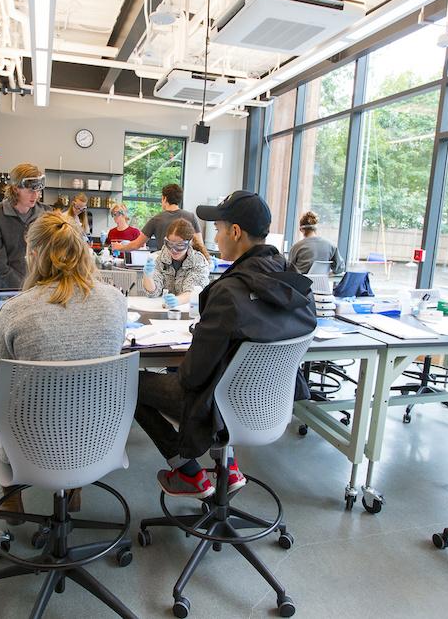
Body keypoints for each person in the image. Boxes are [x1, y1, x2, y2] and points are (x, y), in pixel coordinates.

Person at [134, 191, 316, 498]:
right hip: (266, 405)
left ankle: (187, 470)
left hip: (217, 406)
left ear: (236, 232)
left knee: (130, 383)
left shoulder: (229, 292)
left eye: (218, 229)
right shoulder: (297, 284)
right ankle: (226, 465)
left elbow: (191, 377)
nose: (215, 237)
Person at [0, 211, 127, 515]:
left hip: (29, 445)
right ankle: (73, 489)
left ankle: (11, 497)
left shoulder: (14, 311)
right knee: (83, 400)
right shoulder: (115, 301)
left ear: (35, 255)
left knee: (0, 413)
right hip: (97, 437)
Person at [0, 163, 49, 288]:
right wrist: (22, 288)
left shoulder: (46, 214)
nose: (35, 196)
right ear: (15, 189)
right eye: (30, 191)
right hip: (10, 290)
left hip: (40, 288)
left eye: (38, 191)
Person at [111, 183, 201, 252]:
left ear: (164, 198)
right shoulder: (191, 217)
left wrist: (120, 247)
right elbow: (200, 245)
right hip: (186, 268)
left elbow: (137, 244)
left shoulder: (157, 219)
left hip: (164, 267)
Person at [142, 219, 211, 307]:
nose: (173, 250)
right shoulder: (157, 258)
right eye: (170, 244)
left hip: (189, 310)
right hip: (162, 309)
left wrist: (177, 300)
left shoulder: (198, 261)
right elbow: (152, 292)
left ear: (189, 243)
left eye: (180, 246)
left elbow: (193, 291)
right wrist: (148, 277)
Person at [287, 211, 344, 275]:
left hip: (301, 284)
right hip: (322, 284)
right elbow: (340, 268)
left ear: (301, 229)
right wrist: (326, 275)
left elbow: (289, 271)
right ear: (315, 228)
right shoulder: (331, 246)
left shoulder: (296, 247)